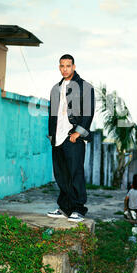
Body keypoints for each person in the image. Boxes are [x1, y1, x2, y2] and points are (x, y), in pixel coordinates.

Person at [47, 54, 95, 223]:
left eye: (68, 66)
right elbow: (52, 115)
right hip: (57, 138)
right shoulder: (55, 88)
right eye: (62, 66)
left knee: (75, 174)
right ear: (59, 67)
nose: (65, 69)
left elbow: (88, 113)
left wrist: (78, 133)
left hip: (73, 137)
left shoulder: (84, 87)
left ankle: (79, 209)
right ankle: (65, 208)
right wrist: (51, 134)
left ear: (74, 67)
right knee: (61, 175)